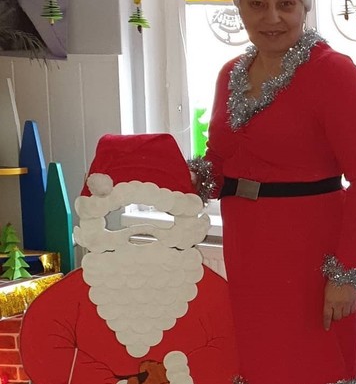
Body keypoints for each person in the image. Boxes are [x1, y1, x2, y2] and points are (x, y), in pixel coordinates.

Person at [187, 0, 356, 383]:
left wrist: (344, 273)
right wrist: (174, 179)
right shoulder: (230, 74)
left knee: (314, 364)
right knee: (257, 363)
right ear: (240, 7)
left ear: (304, 6)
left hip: (313, 255)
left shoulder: (334, 73)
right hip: (248, 249)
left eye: (286, 3)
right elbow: (219, 162)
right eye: (257, 3)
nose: (272, 17)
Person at [20, 133, 238, 384]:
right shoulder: (72, 296)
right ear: (94, 223)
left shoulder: (210, 292)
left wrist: (178, 374)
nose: (141, 230)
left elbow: (231, 343)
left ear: (185, 222)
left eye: (166, 214)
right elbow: (42, 343)